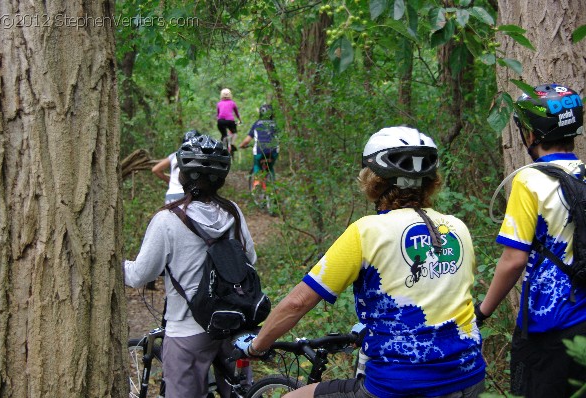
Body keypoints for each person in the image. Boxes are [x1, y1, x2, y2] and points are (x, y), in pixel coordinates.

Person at [235, 126, 486, 397]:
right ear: (431, 179)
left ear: (372, 179)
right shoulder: (457, 228)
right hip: (468, 377)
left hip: (398, 384)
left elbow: (299, 302)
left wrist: (257, 346)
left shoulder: (367, 231)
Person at [124, 134, 257, 398]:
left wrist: (116, 266)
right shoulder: (233, 212)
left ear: (183, 174)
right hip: (232, 325)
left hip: (187, 332)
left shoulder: (167, 220)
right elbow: (250, 260)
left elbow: (140, 275)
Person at [475, 83, 586, 397]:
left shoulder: (529, 179)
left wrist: (482, 311)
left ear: (531, 134)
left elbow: (514, 260)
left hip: (549, 325)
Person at [152, 129, 201, 204]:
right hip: (187, 195)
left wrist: (170, 182)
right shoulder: (199, 156)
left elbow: (155, 169)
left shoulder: (175, 155)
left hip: (171, 195)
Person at [239, 104, 279, 185]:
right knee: (270, 167)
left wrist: (241, 145)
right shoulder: (275, 124)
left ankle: (257, 183)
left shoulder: (257, 124)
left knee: (257, 165)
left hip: (260, 150)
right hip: (273, 151)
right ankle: (274, 188)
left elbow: (247, 140)